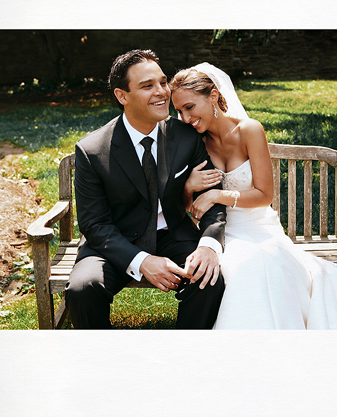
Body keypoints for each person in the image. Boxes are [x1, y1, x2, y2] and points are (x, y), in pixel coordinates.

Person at [170, 62, 337, 329]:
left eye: (189, 107)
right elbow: (188, 206)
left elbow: (264, 194)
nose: (185, 118)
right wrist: (188, 187)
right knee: (243, 267)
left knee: (263, 263)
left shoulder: (249, 130)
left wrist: (218, 196)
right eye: (179, 111)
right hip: (220, 232)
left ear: (212, 97)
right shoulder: (193, 141)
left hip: (258, 227)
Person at [66, 50, 226, 329]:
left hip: (173, 234)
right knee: (83, 289)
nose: (162, 92)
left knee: (209, 280)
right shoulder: (92, 151)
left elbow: (213, 197)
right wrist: (141, 261)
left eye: (163, 82)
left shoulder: (187, 137)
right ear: (122, 96)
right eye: (147, 85)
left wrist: (209, 246)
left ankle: (185, 358)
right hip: (112, 243)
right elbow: (94, 224)